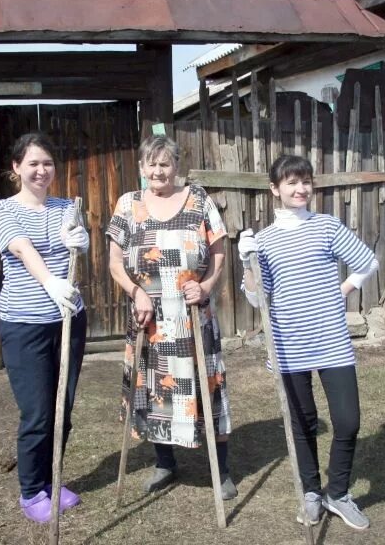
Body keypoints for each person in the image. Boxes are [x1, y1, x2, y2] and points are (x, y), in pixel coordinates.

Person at [239, 154, 378, 530]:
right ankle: (313, 493)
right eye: (291, 183)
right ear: (275, 189)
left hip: (331, 340)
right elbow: (256, 299)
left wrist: (342, 290)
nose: (300, 189)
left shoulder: (327, 227)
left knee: (348, 421)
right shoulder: (263, 241)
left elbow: (367, 262)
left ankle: (339, 493)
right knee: (302, 425)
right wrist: (247, 262)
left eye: (305, 182)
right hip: (288, 344)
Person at [106, 134, 236, 500]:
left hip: (192, 313)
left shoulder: (198, 199)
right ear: (142, 168)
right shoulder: (128, 204)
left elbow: (219, 251)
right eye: (151, 164)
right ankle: (165, 463)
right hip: (149, 315)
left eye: (165, 163)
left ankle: (220, 469)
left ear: (177, 166)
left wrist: (206, 285)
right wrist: (136, 292)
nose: (158, 171)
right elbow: (115, 262)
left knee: (206, 387)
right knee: (152, 390)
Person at [0, 133, 91, 524]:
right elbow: (21, 248)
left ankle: (52, 480)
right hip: (25, 324)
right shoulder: (3, 209)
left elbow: (77, 253)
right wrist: (49, 281)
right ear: (16, 168)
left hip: (68, 319)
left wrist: (79, 241)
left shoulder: (67, 206)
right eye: (32, 163)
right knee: (37, 413)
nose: (41, 170)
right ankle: (31, 493)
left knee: (62, 409)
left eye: (47, 163)